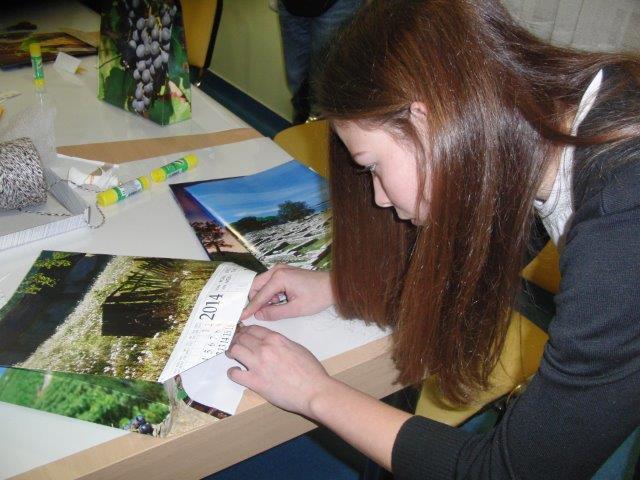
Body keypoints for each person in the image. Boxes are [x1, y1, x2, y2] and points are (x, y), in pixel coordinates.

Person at [227, 0, 640, 478]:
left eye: (372, 167)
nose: (379, 198)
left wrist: (313, 392)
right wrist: (342, 287)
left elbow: (506, 473)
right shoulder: (556, 124)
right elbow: (478, 269)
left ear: (426, 119)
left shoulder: (621, 220)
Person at [278, 0, 364, 124]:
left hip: (338, 4)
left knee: (325, 87)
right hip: (291, 5)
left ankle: (317, 127)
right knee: (296, 79)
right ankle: (303, 126)